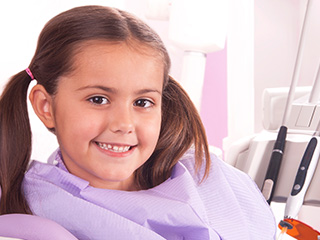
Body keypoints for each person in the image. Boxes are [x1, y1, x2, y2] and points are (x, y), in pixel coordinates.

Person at [0, 5, 276, 239]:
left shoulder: (208, 176)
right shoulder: (39, 212)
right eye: (98, 99)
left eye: (142, 102)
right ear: (45, 106)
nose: (124, 123)